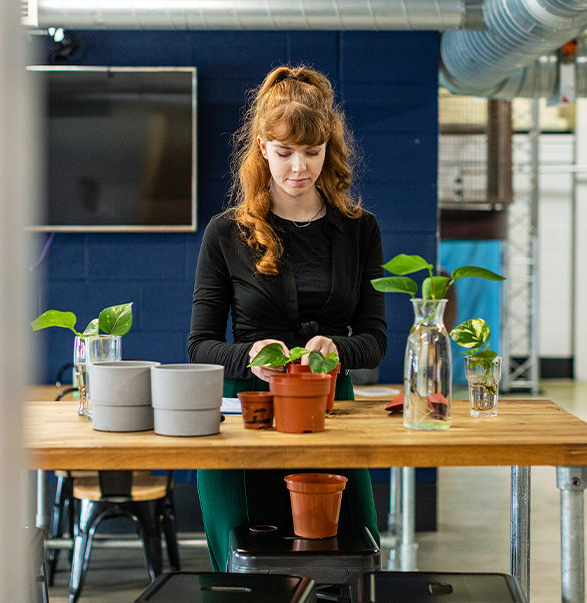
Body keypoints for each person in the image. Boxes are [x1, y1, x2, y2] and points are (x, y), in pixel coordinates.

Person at [188, 65, 387, 572]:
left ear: (329, 147)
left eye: (312, 152)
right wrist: (245, 355)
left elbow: (374, 338)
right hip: (245, 416)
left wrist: (337, 348)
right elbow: (199, 346)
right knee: (247, 573)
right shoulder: (225, 233)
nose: (299, 168)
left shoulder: (359, 230)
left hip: (330, 417)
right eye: (284, 153)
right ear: (261, 147)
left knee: (347, 563)